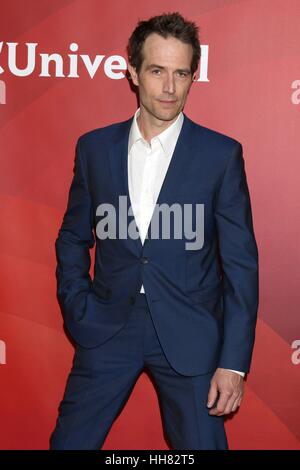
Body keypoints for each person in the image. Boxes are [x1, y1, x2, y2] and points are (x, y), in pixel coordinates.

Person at [50, 12, 259, 450]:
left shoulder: (220, 156)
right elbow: (73, 236)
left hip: (190, 334)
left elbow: (241, 267)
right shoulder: (95, 148)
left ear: (193, 76)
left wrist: (233, 363)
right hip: (107, 326)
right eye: (157, 71)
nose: (169, 87)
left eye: (181, 73)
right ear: (132, 72)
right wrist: (78, 305)